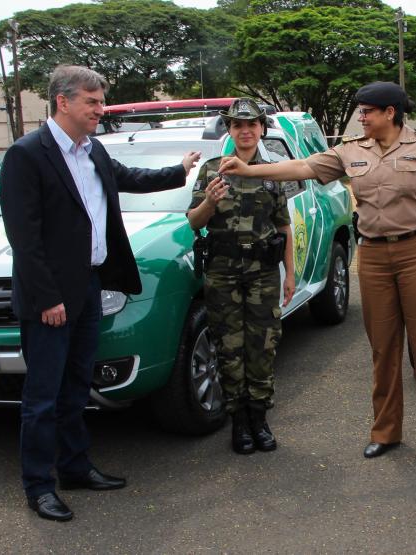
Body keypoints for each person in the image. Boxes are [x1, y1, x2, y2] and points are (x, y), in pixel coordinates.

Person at [218, 82, 416, 464]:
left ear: (390, 113)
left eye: (367, 111)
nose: (360, 117)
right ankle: (386, 432)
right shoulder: (351, 150)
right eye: (360, 111)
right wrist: (250, 169)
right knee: (383, 349)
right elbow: (302, 166)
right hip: (374, 256)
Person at [0, 65, 199, 522]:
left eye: (100, 100)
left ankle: (74, 468)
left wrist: (180, 169)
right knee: (43, 397)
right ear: (63, 102)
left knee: (75, 390)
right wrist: (48, 298)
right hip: (50, 298)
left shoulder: (92, 151)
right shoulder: (28, 155)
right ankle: (38, 487)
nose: (100, 109)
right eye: (92, 101)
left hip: (90, 288)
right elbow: (23, 238)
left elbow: (129, 177)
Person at [187, 98, 295, 455]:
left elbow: (283, 226)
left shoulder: (272, 173)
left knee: (262, 346)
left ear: (261, 129)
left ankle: (259, 419)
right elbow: (194, 222)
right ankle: (239, 423)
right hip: (223, 272)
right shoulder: (211, 170)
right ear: (230, 131)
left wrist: (290, 274)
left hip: (263, 272)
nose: (245, 131)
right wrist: (209, 203)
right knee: (229, 348)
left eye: (251, 125)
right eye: (237, 125)